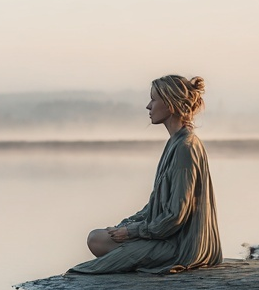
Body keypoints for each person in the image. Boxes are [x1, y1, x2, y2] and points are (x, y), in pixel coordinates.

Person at [73, 75, 221, 274]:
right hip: (169, 236)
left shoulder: (186, 147)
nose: (148, 106)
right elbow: (157, 205)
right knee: (97, 238)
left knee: (97, 245)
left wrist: (132, 232)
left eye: (153, 99)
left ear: (170, 105)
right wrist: (126, 225)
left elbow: (176, 216)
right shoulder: (176, 142)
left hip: (183, 246)